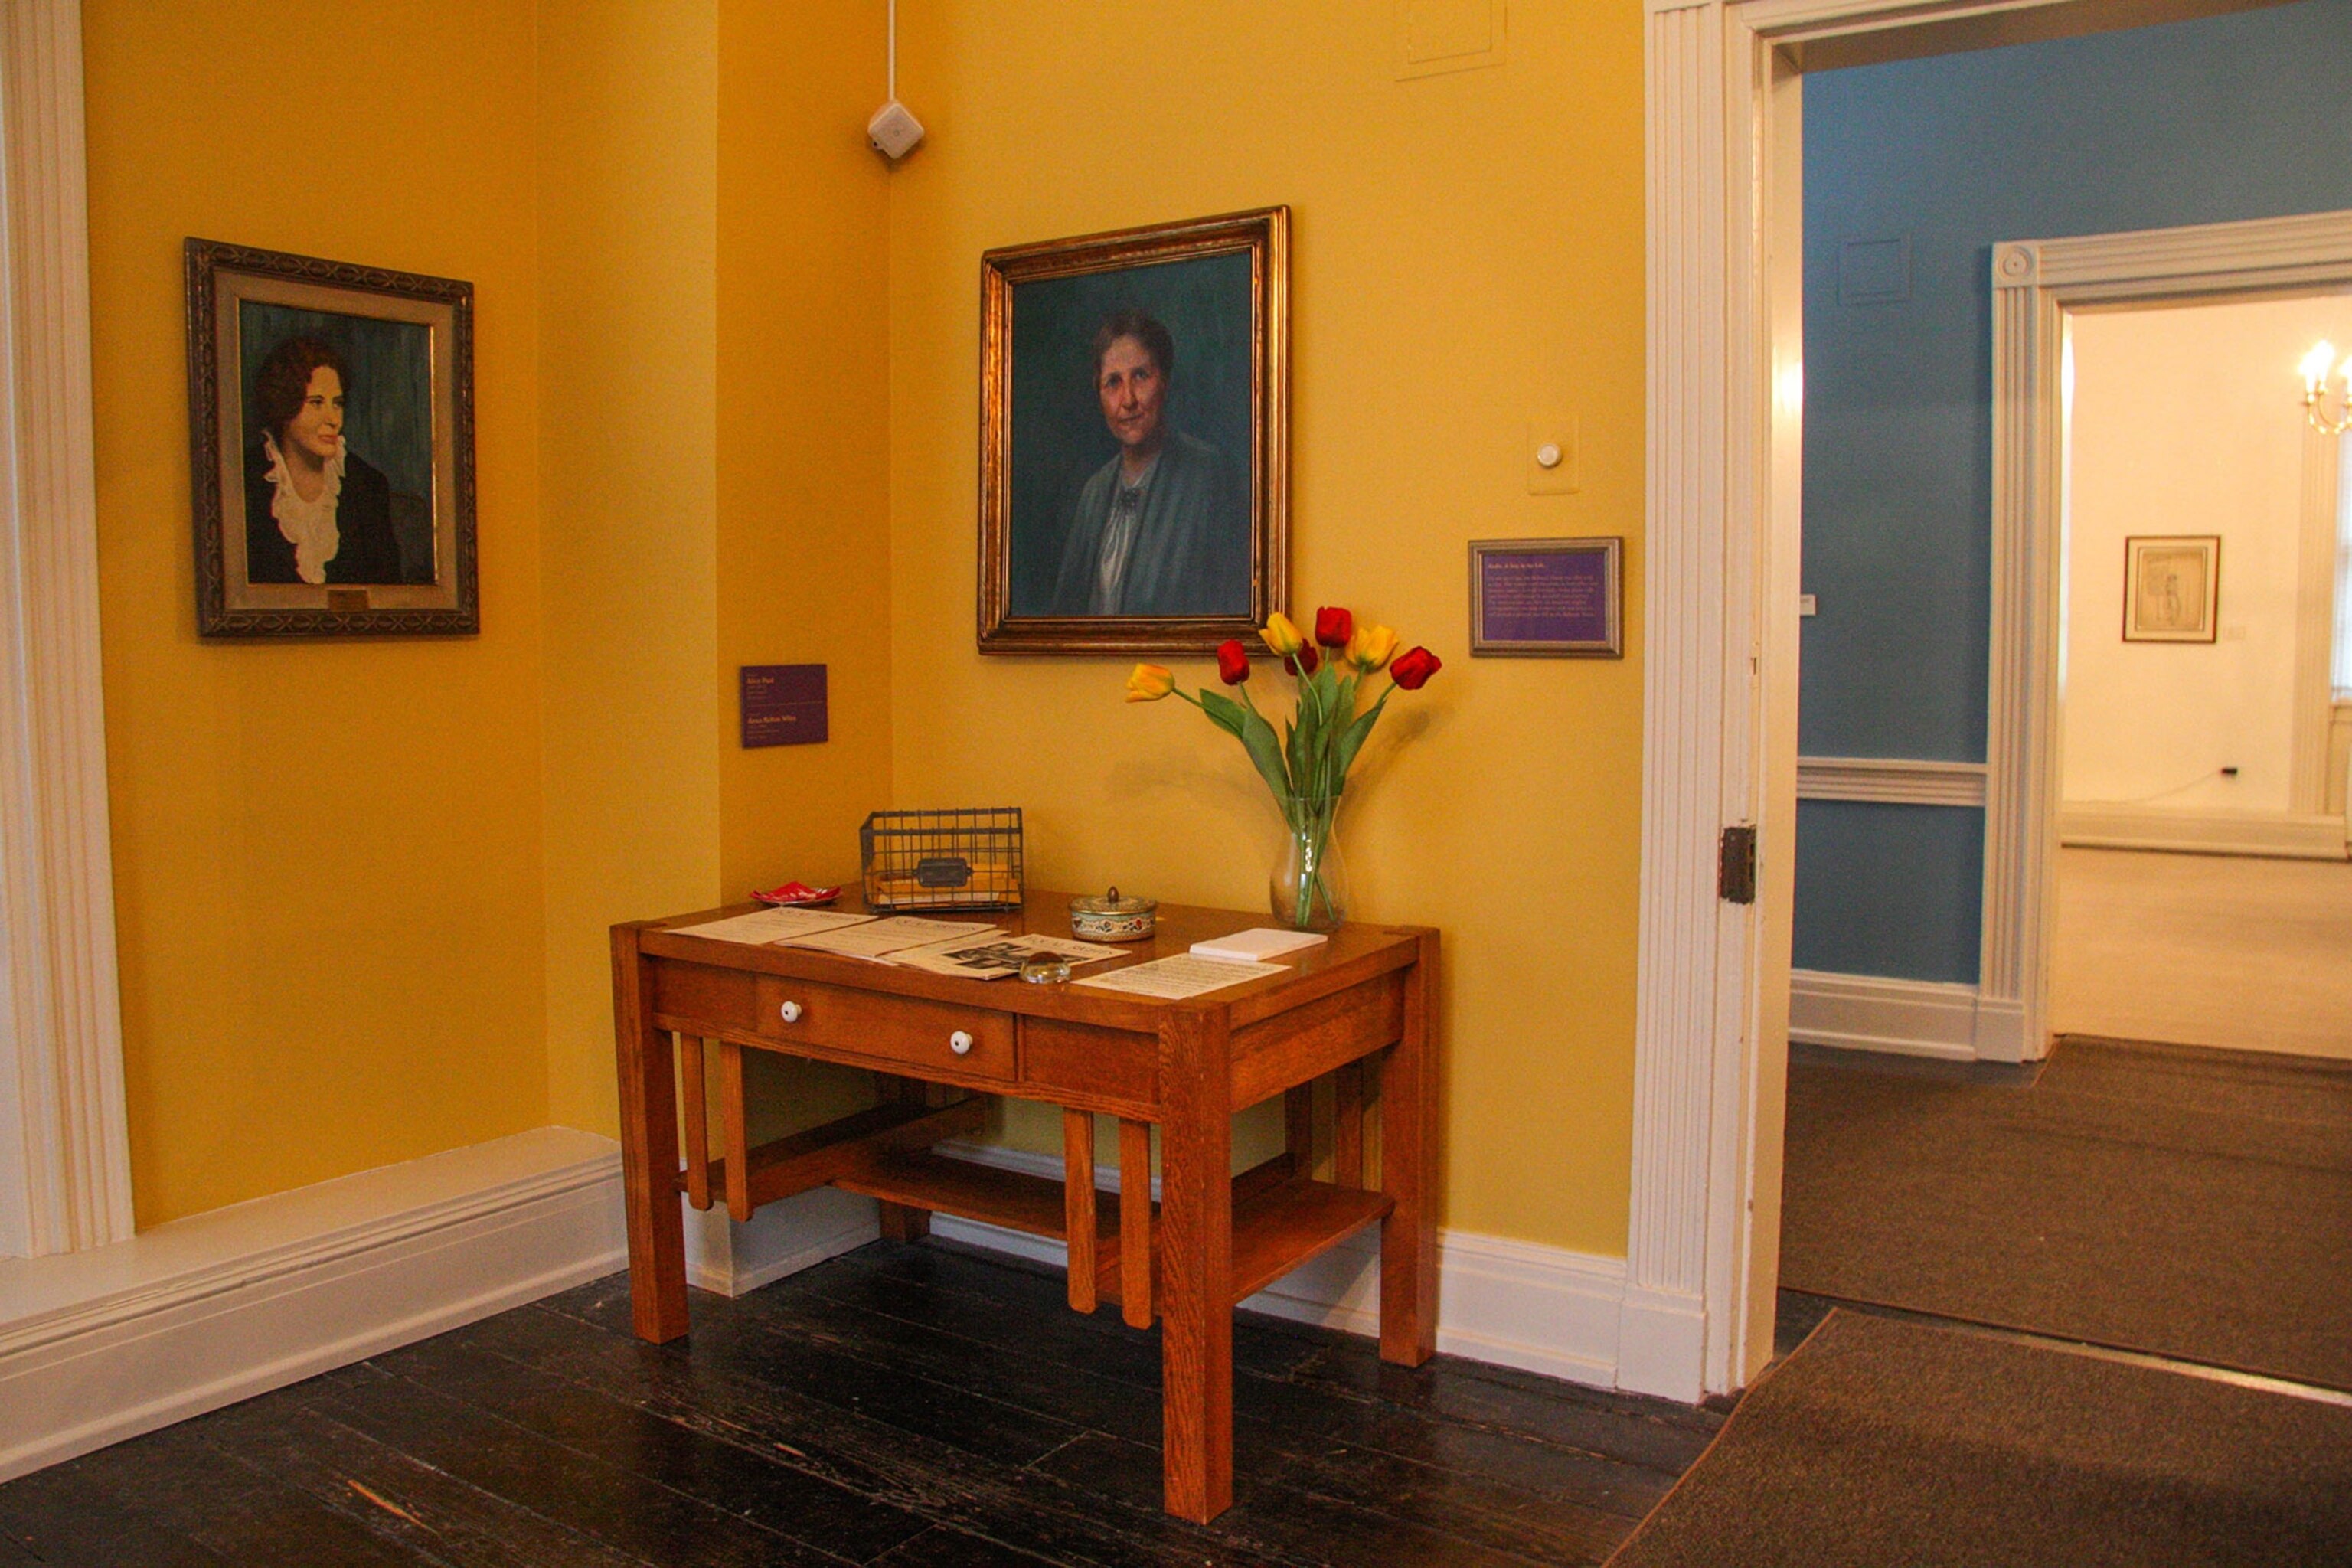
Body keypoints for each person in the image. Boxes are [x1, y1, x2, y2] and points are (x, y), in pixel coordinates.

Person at [1050, 309, 1249, 616]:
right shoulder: (1094, 492)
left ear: (1164, 382)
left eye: (1140, 376)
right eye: (1113, 383)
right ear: (1099, 395)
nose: (1128, 400)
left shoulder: (1208, 477)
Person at [243, 337, 404, 586]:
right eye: (316, 403)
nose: (333, 420)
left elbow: (388, 589)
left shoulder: (367, 485)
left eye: (337, 404)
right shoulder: (246, 479)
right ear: (284, 404)